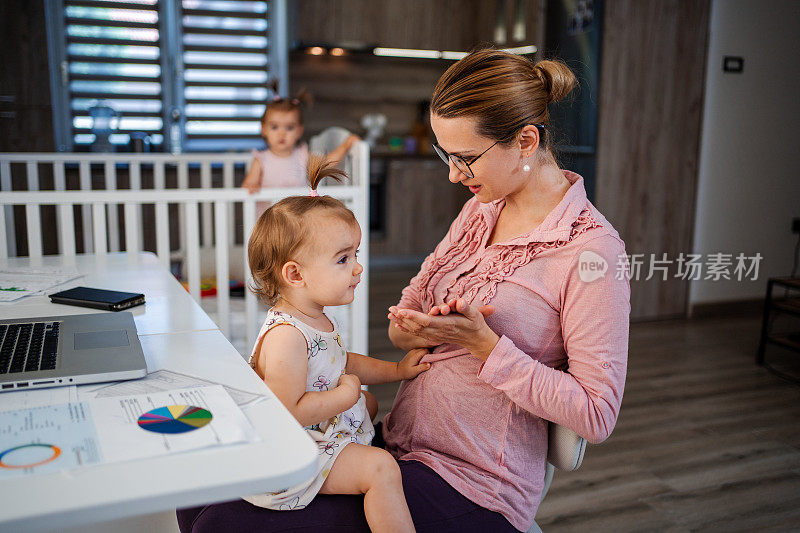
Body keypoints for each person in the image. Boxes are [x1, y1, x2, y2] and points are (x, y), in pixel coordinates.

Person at [177, 47, 630, 533]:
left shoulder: (593, 253)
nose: (454, 174)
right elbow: (406, 313)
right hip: (394, 446)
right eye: (445, 155)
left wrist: (485, 346)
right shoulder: (481, 210)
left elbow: (596, 414)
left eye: (465, 158)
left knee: (223, 525)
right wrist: (417, 329)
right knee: (197, 488)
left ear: (524, 141)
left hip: (473, 482)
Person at [242, 157, 429, 533]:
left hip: (320, 424)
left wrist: (395, 371)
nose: (358, 267)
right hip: (292, 450)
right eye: (343, 259)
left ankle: (354, 446)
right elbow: (288, 413)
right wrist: (345, 397)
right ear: (295, 274)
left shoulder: (315, 315)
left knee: (370, 403)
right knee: (381, 468)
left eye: (355, 254)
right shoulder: (287, 337)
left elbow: (341, 362)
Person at [241, 84, 360, 212]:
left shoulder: (302, 156)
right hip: (271, 223)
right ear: (263, 129)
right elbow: (247, 186)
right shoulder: (261, 160)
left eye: (289, 128)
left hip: (299, 220)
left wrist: (345, 146)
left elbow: (326, 164)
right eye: (274, 127)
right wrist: (251, 186)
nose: (282, 134)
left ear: (299, 131)